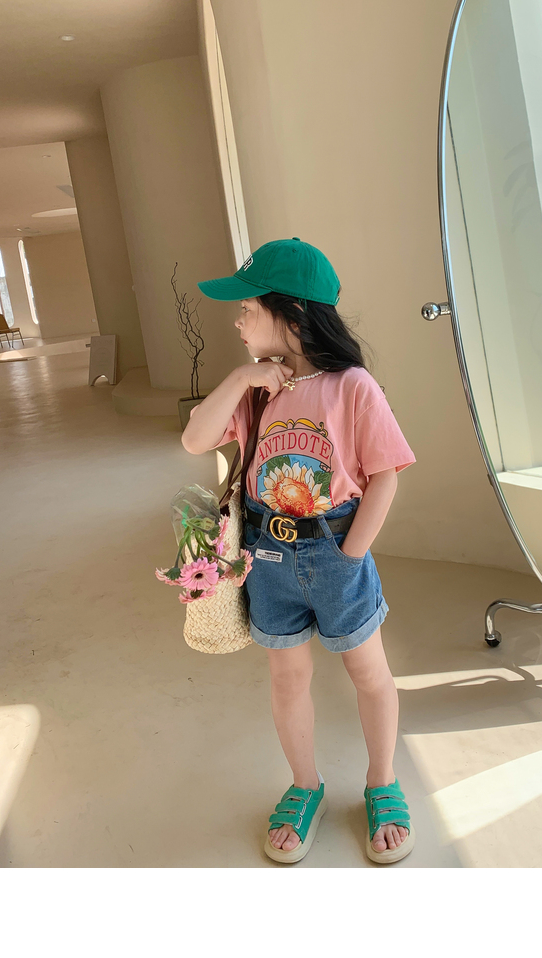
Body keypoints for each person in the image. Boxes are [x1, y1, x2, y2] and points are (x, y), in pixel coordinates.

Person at [181, 238, 416, 865]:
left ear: (291, 313)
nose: (237, 320)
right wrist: (241, 377)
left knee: (369, 673)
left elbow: (385, 474)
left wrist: (351, 554)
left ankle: (382, 782)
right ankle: (305, 786)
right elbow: (195, 439)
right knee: (287, 678)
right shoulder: (257, 390)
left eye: (247, 308)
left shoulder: (353, 386)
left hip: (335, 549)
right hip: (267, 555)